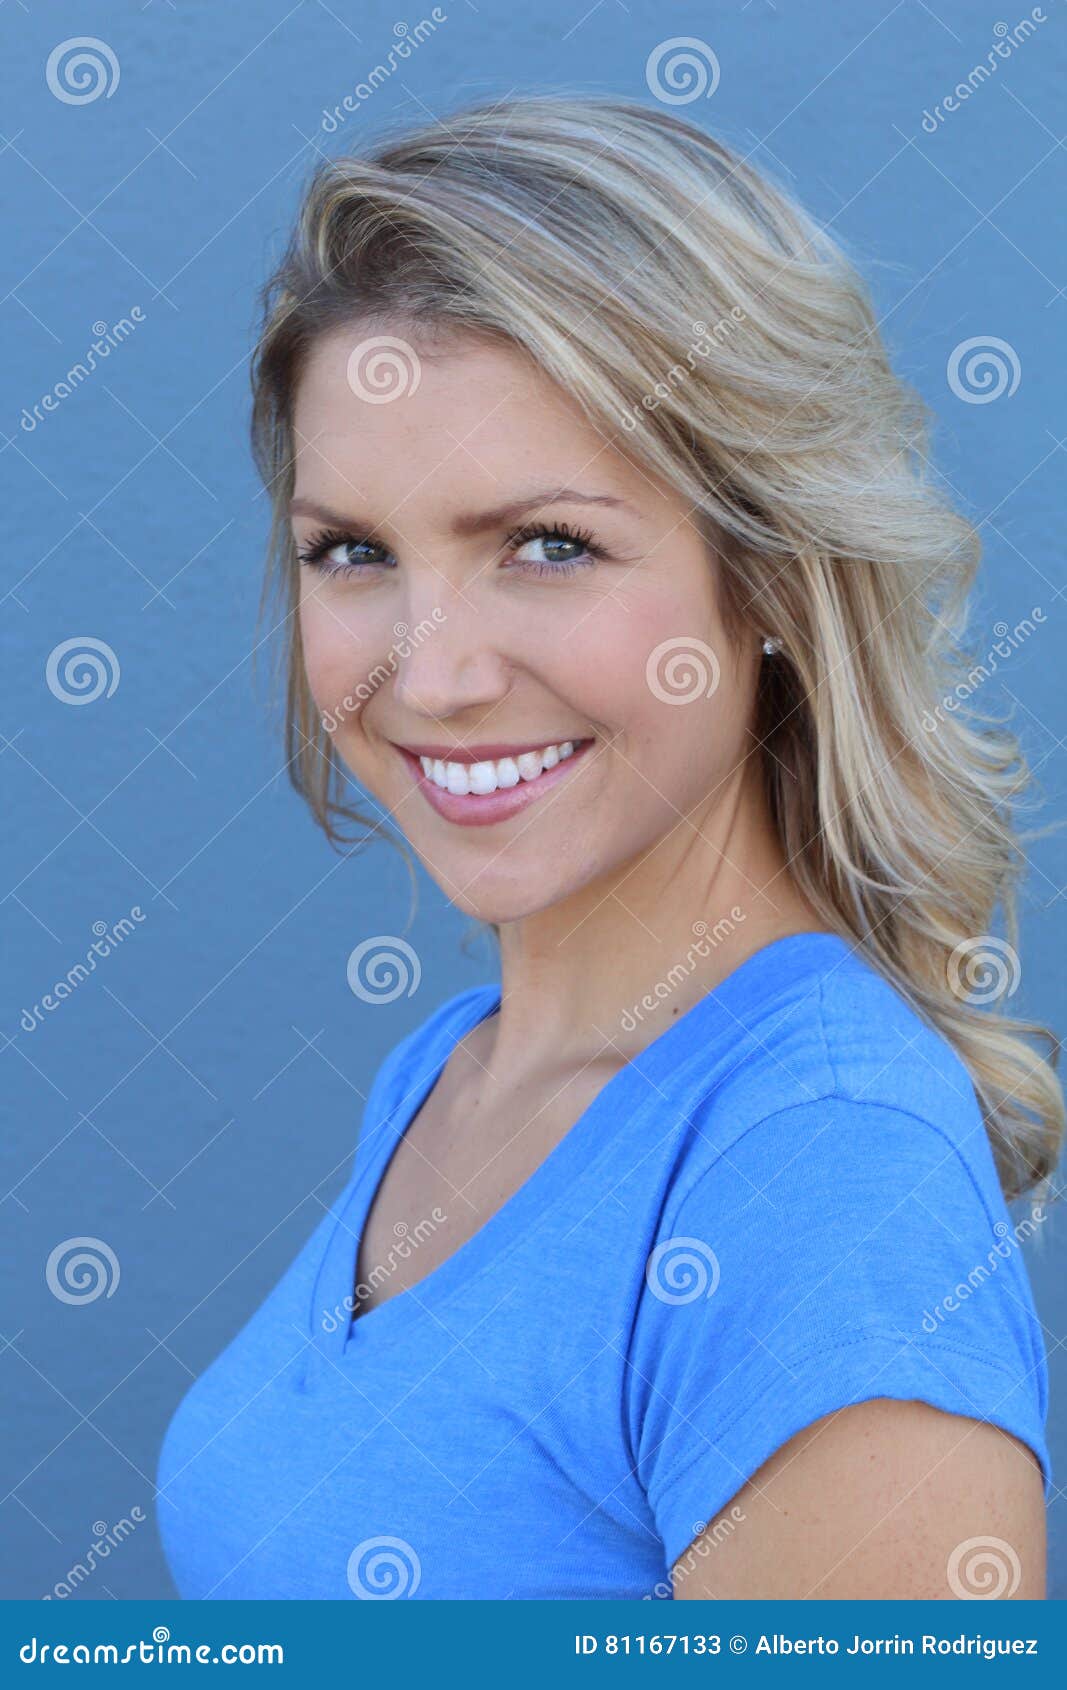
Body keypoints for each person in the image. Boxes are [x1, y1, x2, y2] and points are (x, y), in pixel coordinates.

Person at [156, 94, 1061, 1601]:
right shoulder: (456, 1068)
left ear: (772, 572)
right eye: (354, 551)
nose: (429, 671)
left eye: (549, 544)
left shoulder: (821, 1170)